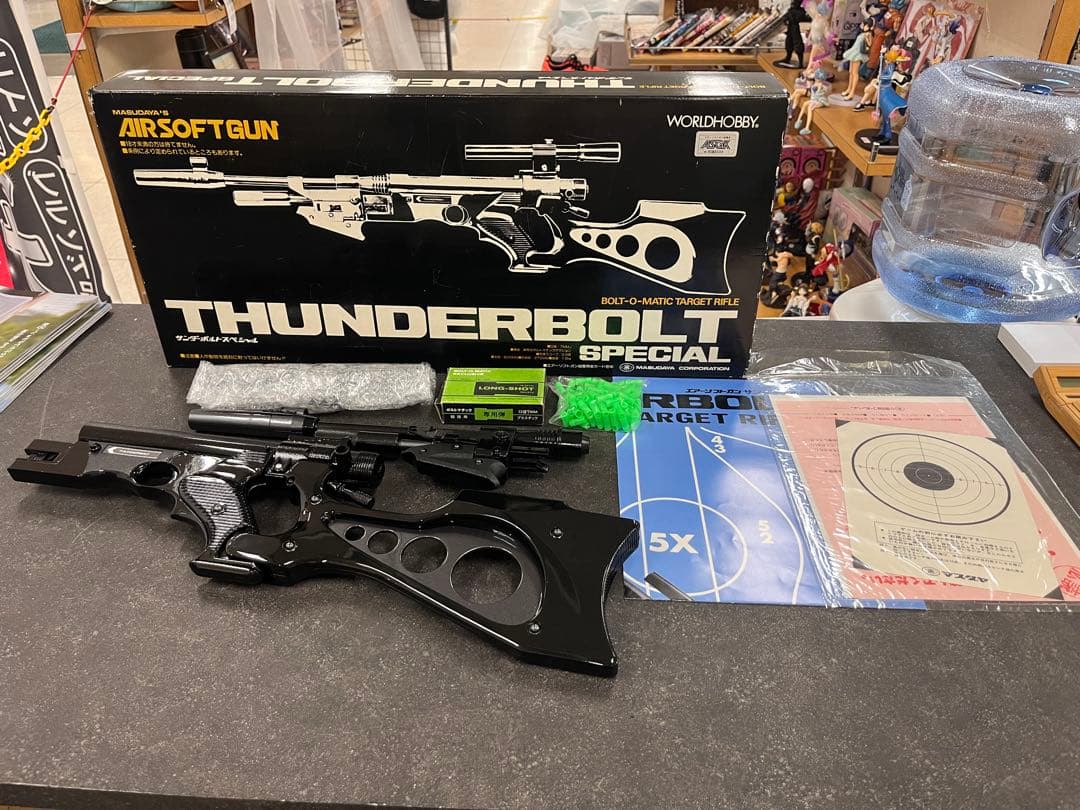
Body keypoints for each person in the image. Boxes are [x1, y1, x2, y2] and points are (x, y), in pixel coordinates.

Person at [774, 0, 812, 69]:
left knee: (798, 43)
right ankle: (788, 57)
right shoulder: (791, 9)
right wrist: (786, 19)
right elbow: (787, 15)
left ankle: (800, 62)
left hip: (795, 25)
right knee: (789, 42)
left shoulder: (800, 10)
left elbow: (805, 16)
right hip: (791, 26)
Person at [841, 21, 873, 99]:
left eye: (866, 26)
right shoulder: (862, 33)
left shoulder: (868, 34)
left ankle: (852, 92)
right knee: (851, 72)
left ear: (869, 27)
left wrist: (866, 38)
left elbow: (870, 44)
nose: (864, 27)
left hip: (858, 54)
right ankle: (849, 89)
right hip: (854, 52)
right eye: (864, 25)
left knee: (855, 73)